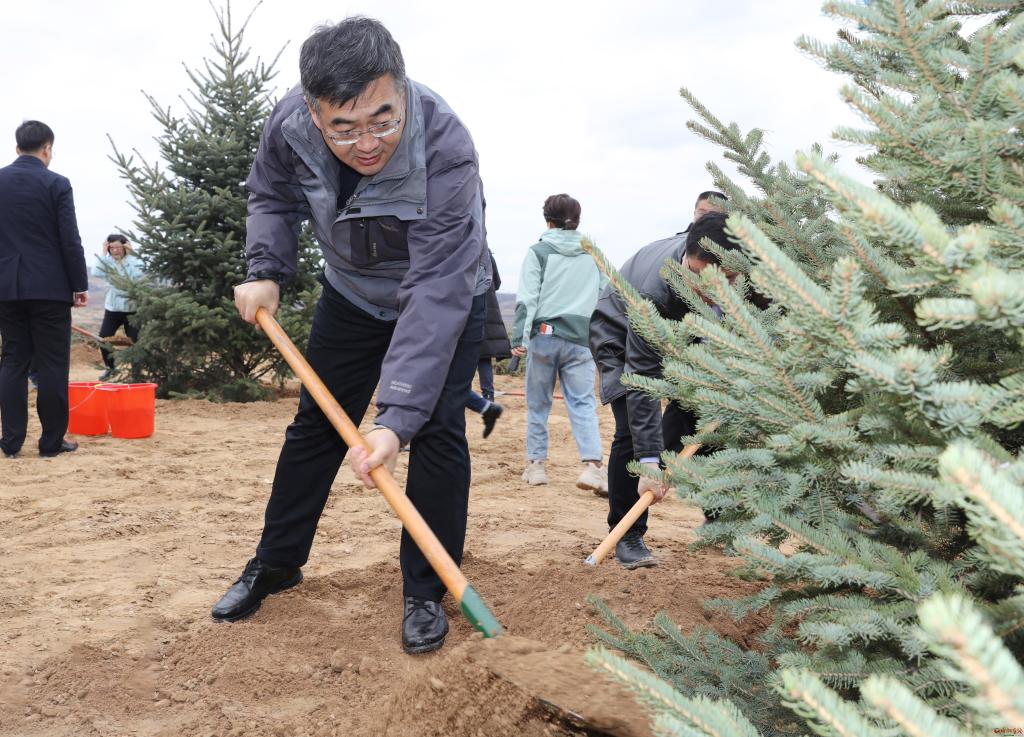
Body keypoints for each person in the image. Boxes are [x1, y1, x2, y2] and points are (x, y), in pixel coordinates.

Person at [213, 17, 491, 657]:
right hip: (353, 292)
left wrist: (395, 420)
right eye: (343, 128)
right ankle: (276, 563)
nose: (367, 143)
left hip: (446, 291)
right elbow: (271, 194)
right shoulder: (289, 124)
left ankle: (426, 590)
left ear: (402, 91)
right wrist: (266, 269)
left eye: (383, 120)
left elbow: (435, 288)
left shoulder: (445, 146)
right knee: (316, 424)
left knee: (436, 431)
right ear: (314, 112)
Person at [589, 211, 766, 568]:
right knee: (631, 432)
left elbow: (772, 322)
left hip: (689, 339)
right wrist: (649, 464)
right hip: (620, 335)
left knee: (705, 416)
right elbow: (643, 380)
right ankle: (627, 534)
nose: (707, 289)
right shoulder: (654, 292)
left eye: (726, 280)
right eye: (698, 277)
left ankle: (720, 521)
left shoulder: (750, 274)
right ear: (688, 254)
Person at [0, 121, 88, 459]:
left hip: (7, 287)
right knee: (52, 364)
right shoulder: (56, 183)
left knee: (13, 361)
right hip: (50, 288)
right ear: (47, 148)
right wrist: (79, 284)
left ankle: (10, 442)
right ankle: (51, 443)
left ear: (17, 147)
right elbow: (70, 239)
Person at [511, 194, 607, 494]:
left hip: (544, 336)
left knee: (538, 404)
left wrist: (519, 339)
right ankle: (594, 467)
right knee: (582, 403)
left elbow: (527, 298)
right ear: (577, 220)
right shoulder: (593, 254)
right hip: (581, 340)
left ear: (547, 220)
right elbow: (608, 296)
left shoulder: (538, 251)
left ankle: (536, 467)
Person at [465, 250, 508, 438]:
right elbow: (496, 282)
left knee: (464, 356)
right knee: (484, 357)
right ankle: (487, 398)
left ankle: (471, 397)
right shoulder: (487, 254)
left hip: (471, 305)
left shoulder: (464, 248)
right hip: (488, 306)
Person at [92, 234, 144, 380]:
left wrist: (132, 253)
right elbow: (96, 272)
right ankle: (110, 369)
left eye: (118, 247)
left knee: (135, 342)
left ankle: (136, 374)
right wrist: (103, 253)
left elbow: (137, 274)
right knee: (103, 339)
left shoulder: (133, 261)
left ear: (125, 247)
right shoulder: (107, 261)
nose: (115, 250)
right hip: (112, 309)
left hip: (132, 309)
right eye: (112, 247)